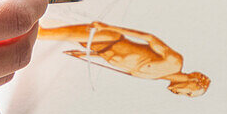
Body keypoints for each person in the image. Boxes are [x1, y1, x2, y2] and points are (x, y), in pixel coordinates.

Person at [38, 22, 210, 96]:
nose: (183, 94)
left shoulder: (153, 77)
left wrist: (84, 55)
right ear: (193, 81)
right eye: (189, 92)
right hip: (108, 37)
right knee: (42, 34)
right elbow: (149, 38)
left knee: (44, 35)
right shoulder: (174, 62)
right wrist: (108, 27)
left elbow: (122, 61)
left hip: (95, 47)